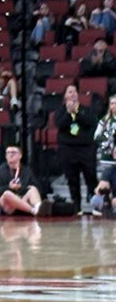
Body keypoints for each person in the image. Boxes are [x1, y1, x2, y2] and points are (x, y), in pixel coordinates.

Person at [55, 84, 98, 215]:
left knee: (90, 177)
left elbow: (91, 122)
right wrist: (69, 114)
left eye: (74, 92)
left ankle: (95, 205)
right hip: (68, 150)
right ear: (65, 96)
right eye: (69, 92)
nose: (72, 94)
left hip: (85, 149)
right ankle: (76, 206)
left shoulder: (86, 109)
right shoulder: (60, 111)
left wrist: (77, 112)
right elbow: (60, 125)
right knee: (72, 179)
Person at [0, 145, 44, 216]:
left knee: (33, 189)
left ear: (20, 155)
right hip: (7, 205)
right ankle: (33, 210)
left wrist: (22, 187)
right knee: (7, 194)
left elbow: (38, 188)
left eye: (13, 152)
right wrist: (9, 187)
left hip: (22, 200)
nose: (10, 155)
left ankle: (39, 207)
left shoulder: (27, 171)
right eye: (8, 153)